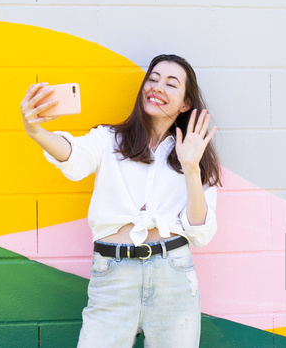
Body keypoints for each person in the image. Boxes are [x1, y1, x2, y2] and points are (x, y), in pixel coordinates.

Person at [20, 54, 221, 347]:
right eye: (152, 79)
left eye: (170, 83)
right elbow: (73, 155)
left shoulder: (195, 153)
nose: (157, 87)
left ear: (185, 103)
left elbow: (200, 233)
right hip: (113, 275)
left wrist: (191, 169)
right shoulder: (109, 139)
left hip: (173, 276)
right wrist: (36, 131)